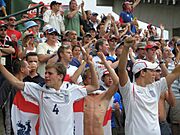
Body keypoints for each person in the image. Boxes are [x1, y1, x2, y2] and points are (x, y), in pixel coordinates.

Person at [0, 49, 99, 135]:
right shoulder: (39, 89)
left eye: (50, 73)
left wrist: (90, 65)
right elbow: (15, 82)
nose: (46, 76)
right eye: (46, 73)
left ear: (60, 76)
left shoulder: (71, 90)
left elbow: (95, 86)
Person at [118, 36, 180, 135]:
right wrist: (126, 48)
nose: (155, 74)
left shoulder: (156, 86)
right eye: (151, 71)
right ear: (142, 73)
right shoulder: (129, 89)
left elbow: (174, 74)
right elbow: (121, 70)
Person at [74, 52, 119, 135]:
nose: (94, 80)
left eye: (96, 78)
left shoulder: (104, 96)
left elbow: (116, 82)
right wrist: (87, 63)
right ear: (84, 81)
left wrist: (104, 62)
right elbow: (73, 80)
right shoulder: (78, 96)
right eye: (91, 78)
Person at [0, 59, 29, 135]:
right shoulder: (8, 84)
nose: (30, 68)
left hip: (20, 122)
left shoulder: (25, 85)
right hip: (9, 122)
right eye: (28, 67)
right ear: (22, 69)